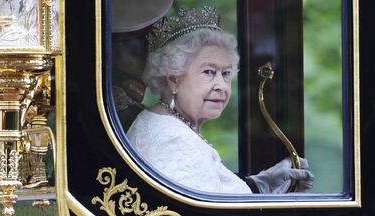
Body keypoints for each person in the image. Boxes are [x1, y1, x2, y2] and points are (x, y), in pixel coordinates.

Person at [127, 6, 314, 194]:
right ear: (174, 79)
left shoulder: (169, 124)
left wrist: (259, 186)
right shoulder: (173, 140)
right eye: (209, 72)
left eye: (226, 74)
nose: (222, 86)